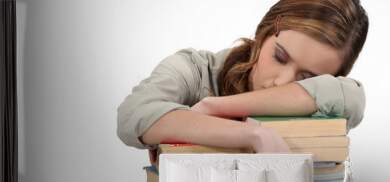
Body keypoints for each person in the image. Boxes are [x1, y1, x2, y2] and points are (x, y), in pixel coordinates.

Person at [117, 0, 369, 165]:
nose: (281, 82)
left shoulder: (333, 95)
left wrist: (216, 107)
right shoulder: (194, 69)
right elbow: (133, 114)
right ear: (264, 32)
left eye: (306, 79)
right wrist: (252, 134)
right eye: (279, 56)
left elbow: (352, 99)